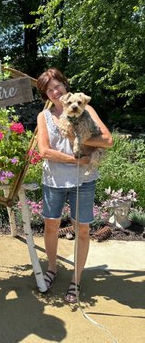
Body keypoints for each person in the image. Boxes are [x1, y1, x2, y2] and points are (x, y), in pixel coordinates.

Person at [36, 68, 113, 303]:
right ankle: (52, 268)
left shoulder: (86, 109)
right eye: (49, 90)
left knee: (82, 229)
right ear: (45, 95)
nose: (55, 91)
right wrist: (76, 159)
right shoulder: (44, 117)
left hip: (84, 181)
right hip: (55, 180)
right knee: (51, 226)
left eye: (57, 85)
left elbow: (108, 140)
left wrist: (79, 139)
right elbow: (44, 151)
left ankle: (76, 279)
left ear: (65, 85)